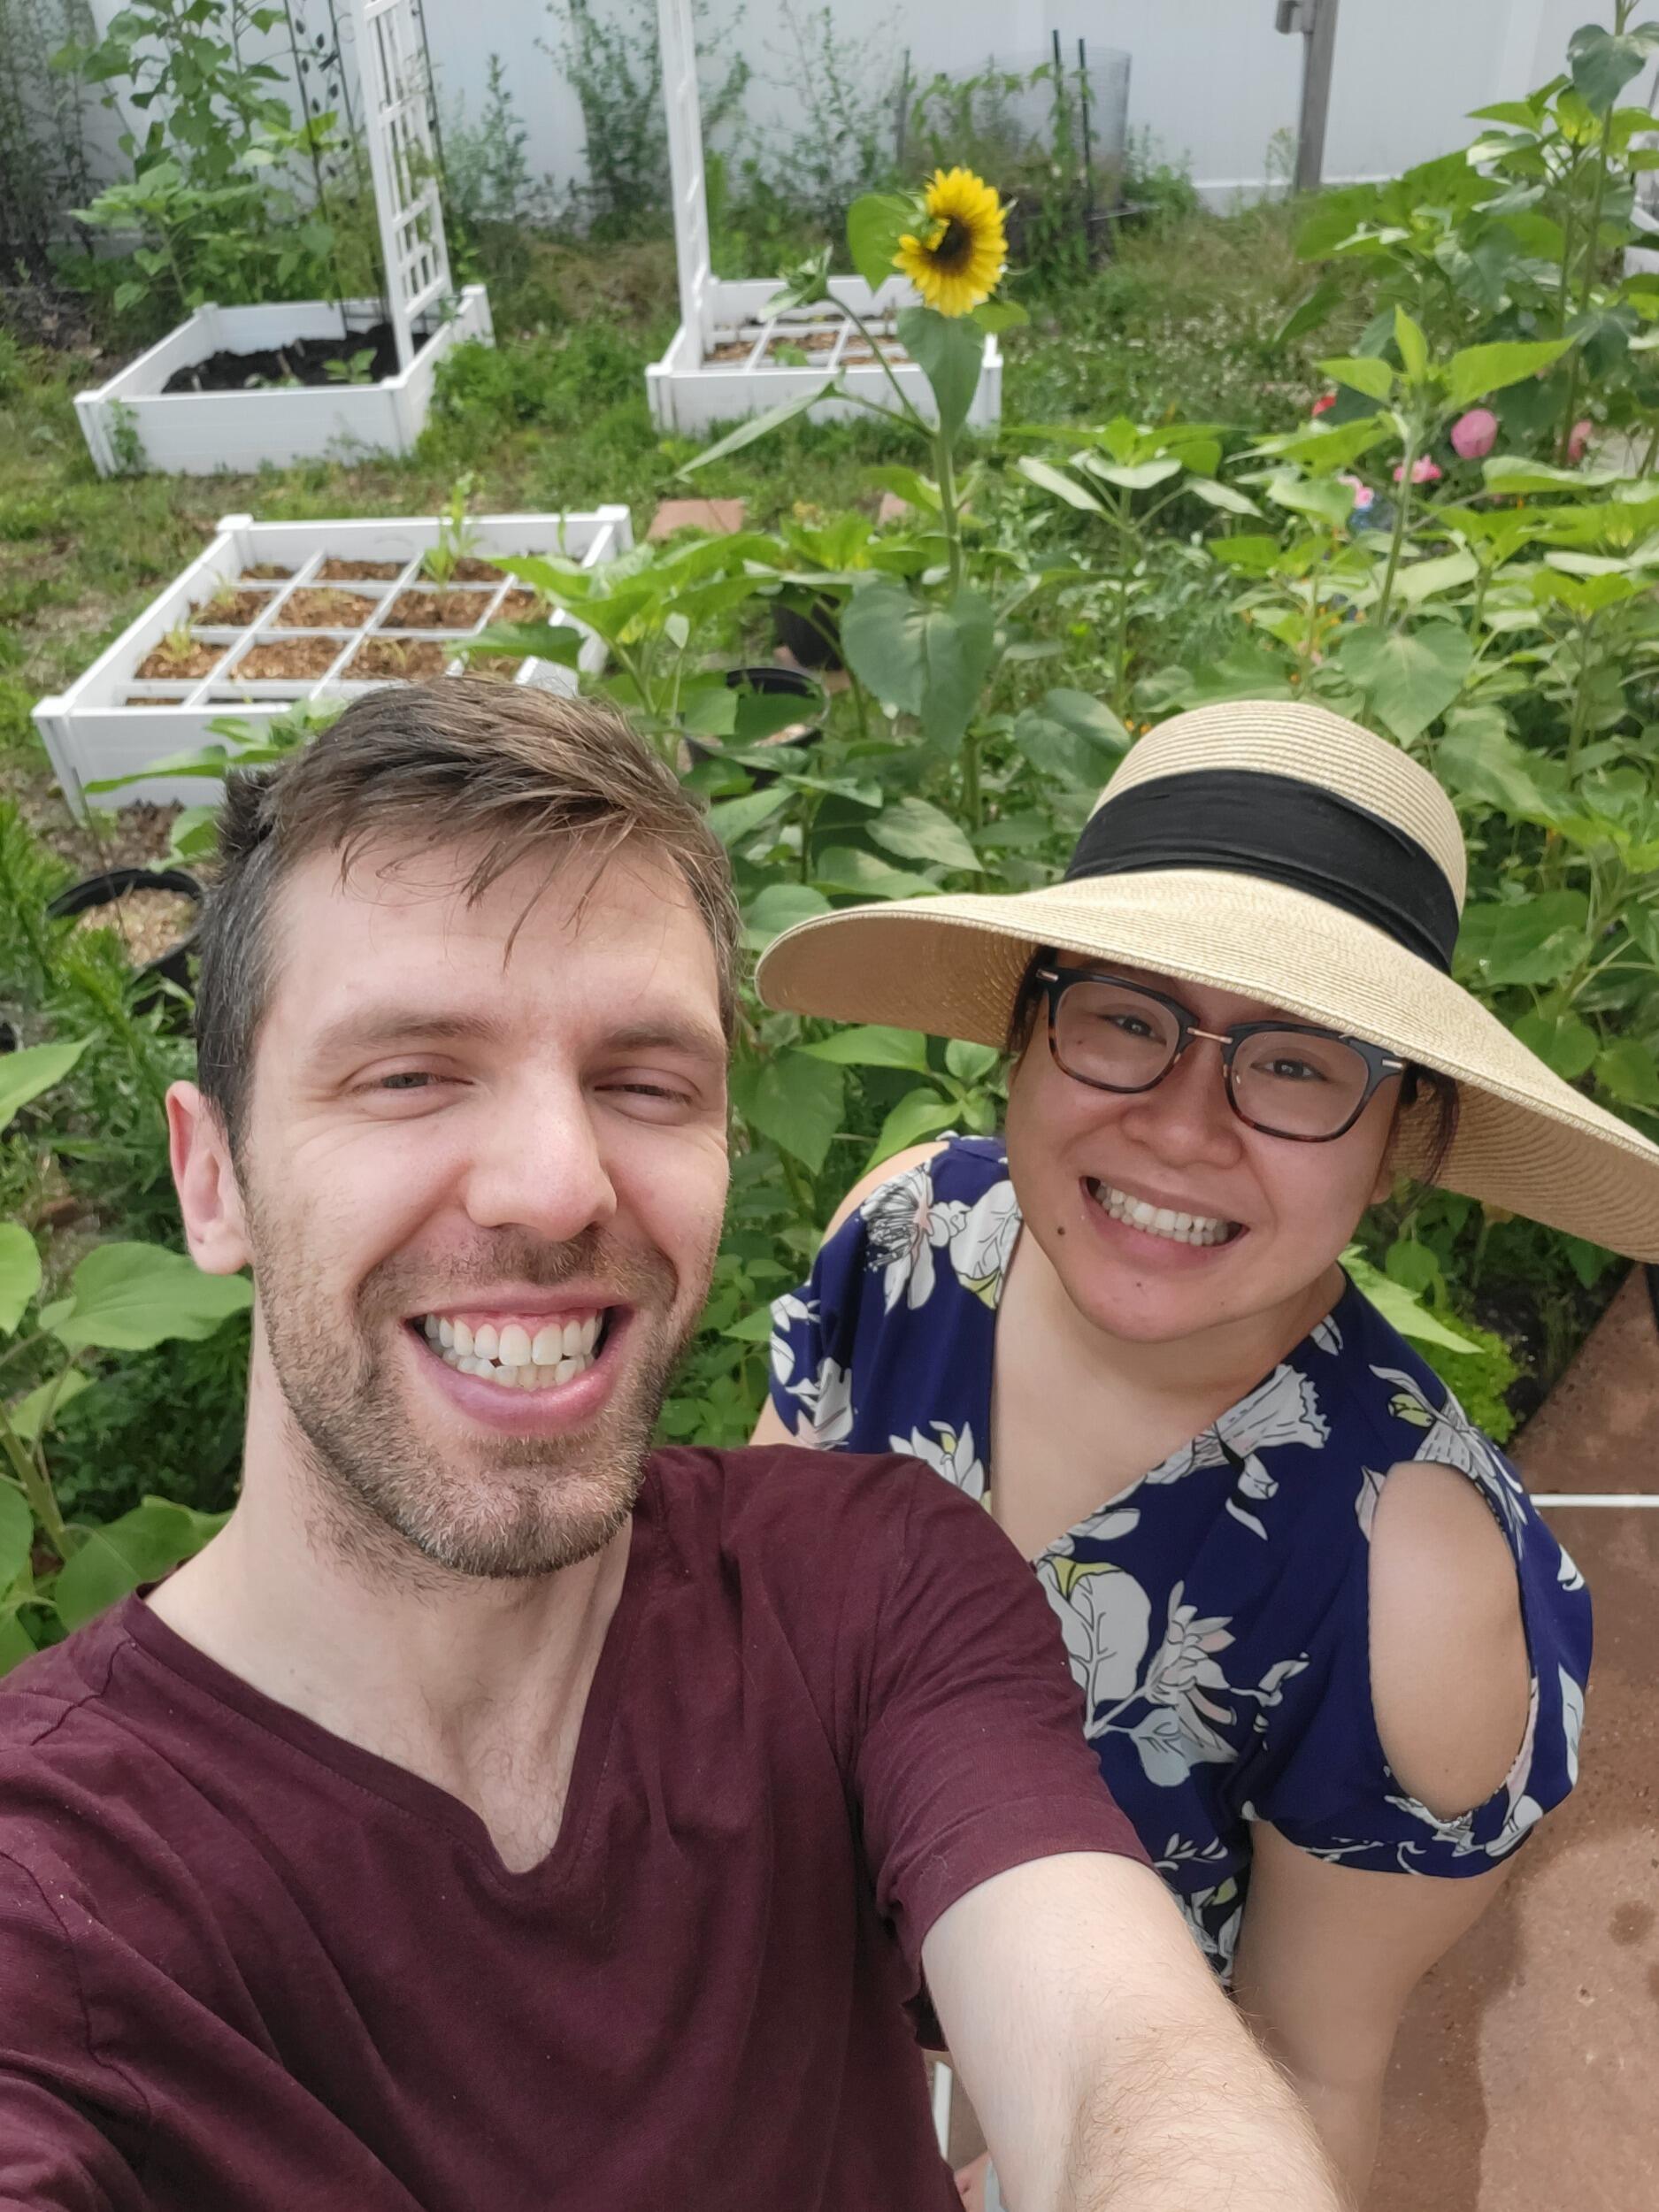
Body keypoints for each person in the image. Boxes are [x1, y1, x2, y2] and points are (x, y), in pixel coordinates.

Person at [0, 681, 1341, 2212]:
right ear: (213, 1175)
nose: (559, 1185)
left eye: (645, 1084)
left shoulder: (874, 1580)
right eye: (412, 1073)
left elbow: (1124, 2049)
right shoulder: (58, 1895)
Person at [755, 700, 1659, 2203]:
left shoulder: (1404, 1581)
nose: (1181, 1127)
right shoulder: (903, 1239)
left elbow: (1303, 2064)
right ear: (1025, 1026)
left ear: (1406, 1140)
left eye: (1296, 1065)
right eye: (1123, 1016)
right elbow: (743, 1643)